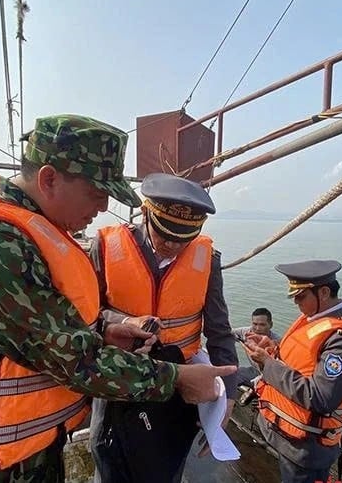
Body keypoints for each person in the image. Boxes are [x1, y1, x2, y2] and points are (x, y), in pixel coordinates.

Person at [0, 115, 235, 483]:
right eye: (96, 193)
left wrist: (104, 332)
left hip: (20, 451)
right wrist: (176, 379)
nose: (103, 205)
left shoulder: (26, 235)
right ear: (49, 179)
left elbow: (43, 334)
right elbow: (72, 358)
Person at [89, 172, 239, 483]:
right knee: (108, 454)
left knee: (166, 461)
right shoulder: (104, 246)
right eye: (166, 235)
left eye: (184, 239)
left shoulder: (207, 259)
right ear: (146, 214)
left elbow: (220, 330)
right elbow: (84, 316)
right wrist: (121, 323)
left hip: (178, 381)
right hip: (120, 378)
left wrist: (230, 397)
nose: (173, 245)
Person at [242, 260, 342, 483]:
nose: (295, 301)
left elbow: (320, 397)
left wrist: (267, 363)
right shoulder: (312, 318)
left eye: (300, 296)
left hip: (306, 449)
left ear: (323, 292)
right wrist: (270, 349)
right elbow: (301, 361)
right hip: (287, 436)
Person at [232, 308, 281, 386]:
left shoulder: (277, 342)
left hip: (272, 377)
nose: (258, 329)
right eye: (255, 324)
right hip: (254, 371)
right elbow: (225, 333)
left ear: (271, 325)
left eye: (262, 325)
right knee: (229, 375)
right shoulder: (245, 333)